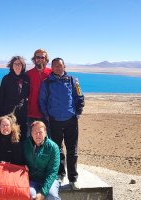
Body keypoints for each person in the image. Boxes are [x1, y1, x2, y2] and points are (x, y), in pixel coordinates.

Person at [39, 58, 85, 190]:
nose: (58, 68)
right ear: (51, 68)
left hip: (71, 120)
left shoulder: (73, 80)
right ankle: (60, 175)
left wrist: (78, 112)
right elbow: (42, 101)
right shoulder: (46, 83)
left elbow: (79, 96)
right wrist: (47, 116)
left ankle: (73, 178)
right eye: (55, 66)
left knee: (72, 150)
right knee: (57, 149)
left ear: (64, 66)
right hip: (54, 121)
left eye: (60, 65)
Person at [23, 121, 60, 200]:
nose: (38, 135)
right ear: (31, 133)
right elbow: (21, 162)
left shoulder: (53, 147)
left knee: (51, 196)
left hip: (49, 180)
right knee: (28, 194)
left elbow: (52, 172)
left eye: (40, 132)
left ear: (45, 133)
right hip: (32, 179)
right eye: (35, 132)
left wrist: (43, 192)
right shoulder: (25, 145)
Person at [0, 56, 29, 140]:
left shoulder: (26, 78)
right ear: (11, 65)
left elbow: (28, 95)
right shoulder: (6, 78)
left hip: (22, 113)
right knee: (8, 135)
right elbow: (1, 96)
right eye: (15, 64)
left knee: (22, 135)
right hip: (8, 112)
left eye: (20, 64)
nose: (17, 66)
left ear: (23, 66)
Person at [26, 49, 51, 131]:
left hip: (48, 114)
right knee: (30, 139)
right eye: (37, 57)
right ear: (34, 59)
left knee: (48, 139)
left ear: (46, 60)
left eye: (42, 57)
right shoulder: (28, 74)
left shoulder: (51, 73)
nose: (40, 59)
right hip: (31, 113)